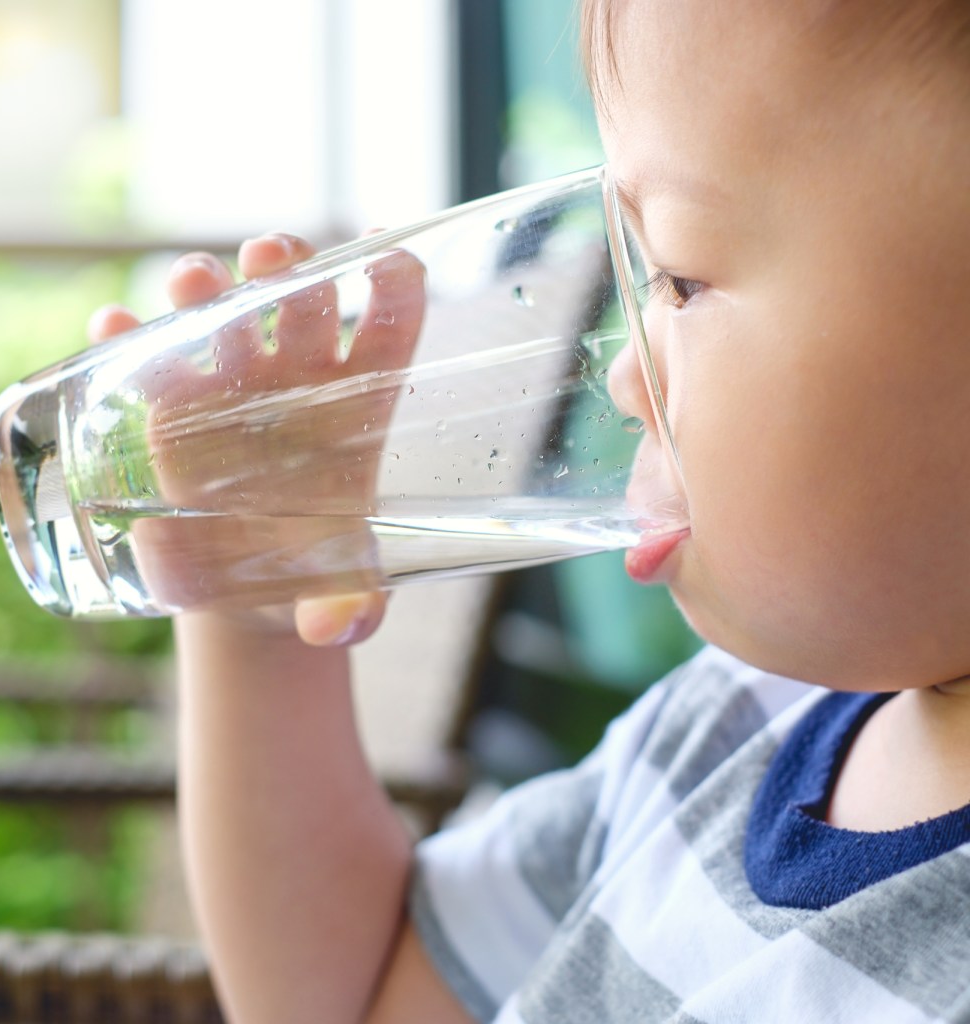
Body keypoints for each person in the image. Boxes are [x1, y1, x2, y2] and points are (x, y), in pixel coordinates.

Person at [88, 0, 970, 1020]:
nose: (624, 380)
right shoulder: (721, 729)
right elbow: (350, 997)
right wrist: (257, 621)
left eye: (680, 277)